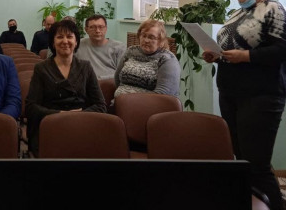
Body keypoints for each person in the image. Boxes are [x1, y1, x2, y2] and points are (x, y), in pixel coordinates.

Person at [203, 0, 286, 210]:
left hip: (261, 97)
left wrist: (246, 56)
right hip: (231, 94)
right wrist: (216, 55)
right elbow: (232, 49)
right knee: (242, 162)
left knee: (257, 166)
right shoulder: (237, 14)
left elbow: (285, 49)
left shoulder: (274, 9)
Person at [25, 19, 106, 156]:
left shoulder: (86, 67)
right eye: (60, 37)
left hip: (81, 125)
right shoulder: (41, 68)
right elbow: (31, 107)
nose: (65, 41)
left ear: (76, 41)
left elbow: (100, 105)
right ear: (53, 42)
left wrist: (78, 116)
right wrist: (60, 115)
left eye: (69, 36)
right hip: (51, 125)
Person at [114, 19, 180, 98]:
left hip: (150, 104)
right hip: (119, 102)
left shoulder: (167, 59)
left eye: (151, 37)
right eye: (143, 35)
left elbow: (163, 94)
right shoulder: (131, 51)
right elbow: (117, 78)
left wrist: (131, 101)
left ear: (161, 40)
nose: (146, 40)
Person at [75, 14, 126, 79]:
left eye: (101, 27)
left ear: (106, 28)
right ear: (86, 29)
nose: (97, 31)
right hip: (84, 82)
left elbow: (122, 74)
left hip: (110, 83)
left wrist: (98, 80)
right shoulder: (78, 44)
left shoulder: (119, 47)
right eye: (92, 27)